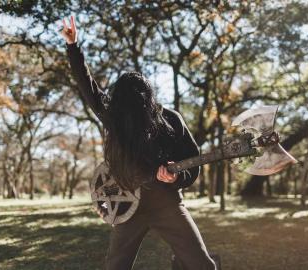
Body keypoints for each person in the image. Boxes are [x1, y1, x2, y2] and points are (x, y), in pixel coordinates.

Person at [60, 15, 216, 270]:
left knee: (202, 265)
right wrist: (73, 47)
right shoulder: (116, 118)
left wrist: (176, 177)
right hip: (128, 206)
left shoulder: (170, 119)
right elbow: (88, 87)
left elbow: (193, 159)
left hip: (168, 205)